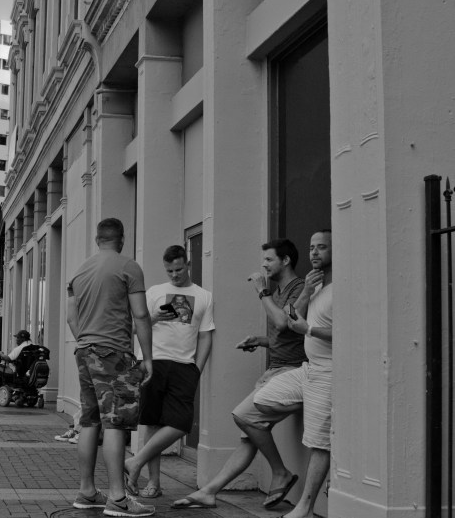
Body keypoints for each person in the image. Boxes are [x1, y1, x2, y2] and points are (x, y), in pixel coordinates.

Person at [173, 239, 306, 510]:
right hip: (276, 369)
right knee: (250, 434)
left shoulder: (300, 289)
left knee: (244, 417)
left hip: (292, 372)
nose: (264, 265)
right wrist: (259, 339)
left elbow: (285, 321)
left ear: (286, 261)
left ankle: (280, 472)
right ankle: (209, 492)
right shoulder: (280, 291)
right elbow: (286, 333)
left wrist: (261, 292)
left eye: (269, 259)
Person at [67, 218, 154, 518]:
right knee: (115, 422)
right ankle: (118, 498)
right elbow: (141, 315)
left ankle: (87, 491)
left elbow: (70, 318)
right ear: (122, 238)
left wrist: (86, 343)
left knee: (90, 420)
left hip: (84, 352)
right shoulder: (128, 267)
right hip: (113, 353)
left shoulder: (79, 272)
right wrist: (148, 358)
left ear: (97, 239)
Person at [251, 230, 333, 518]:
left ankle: (305, 506)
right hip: (307, 369)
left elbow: (292, 324)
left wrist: (308, 329)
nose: (314, 253)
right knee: (261, 399)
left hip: (325, 372)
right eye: (311, 247)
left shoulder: (336, 288)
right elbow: (288, 321)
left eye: (322, 247)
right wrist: (308, 293)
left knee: (318, 442)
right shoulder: (316, 287)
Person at [124, 245, 214, 501]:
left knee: (180, 423)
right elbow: (133, 328)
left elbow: (206, 336)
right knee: (153, 423)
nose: (174, 275)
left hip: (185, 366)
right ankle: (153, 483)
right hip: (153, 361)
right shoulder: (155, 292)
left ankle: (136, 461)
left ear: (188, 264)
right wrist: (153, 318)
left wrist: (198, 368)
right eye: (169, 270)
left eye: (178, 269)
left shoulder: (204, 296)